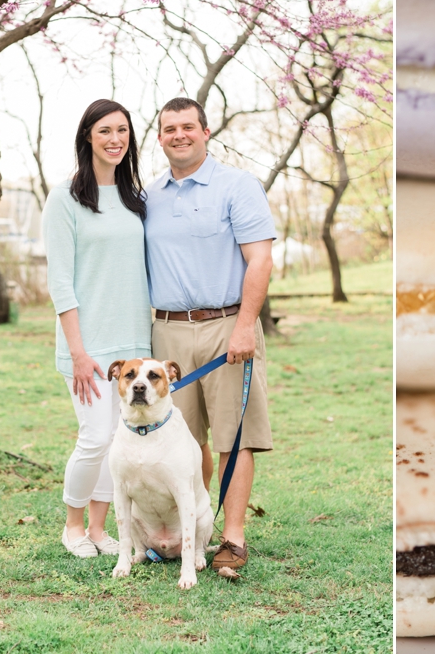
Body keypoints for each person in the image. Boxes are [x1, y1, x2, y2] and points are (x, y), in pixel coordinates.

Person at [144, 97, 275, 573]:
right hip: (167, 332)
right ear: (159, 137)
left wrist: (244, 328)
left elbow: (259, 259)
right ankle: (191, 530)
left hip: (227, 329)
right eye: (169, 129)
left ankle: (233, 537)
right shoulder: (148, 196)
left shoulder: (237, 185)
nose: (179, 135)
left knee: (232, 437)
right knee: (179, 439)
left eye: (187, 127)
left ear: (205, 131)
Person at [42, 99, 151, 558]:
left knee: (119, 439)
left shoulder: (135, 200)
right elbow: (60, 281)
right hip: (86, 345)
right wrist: (79, 353)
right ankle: (72, 527)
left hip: (131, 346)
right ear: (88, 135)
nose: (115, 139)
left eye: (122, 130)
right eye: (105, 130)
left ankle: (100, 529)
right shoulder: (64, 197)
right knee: (94, 437)